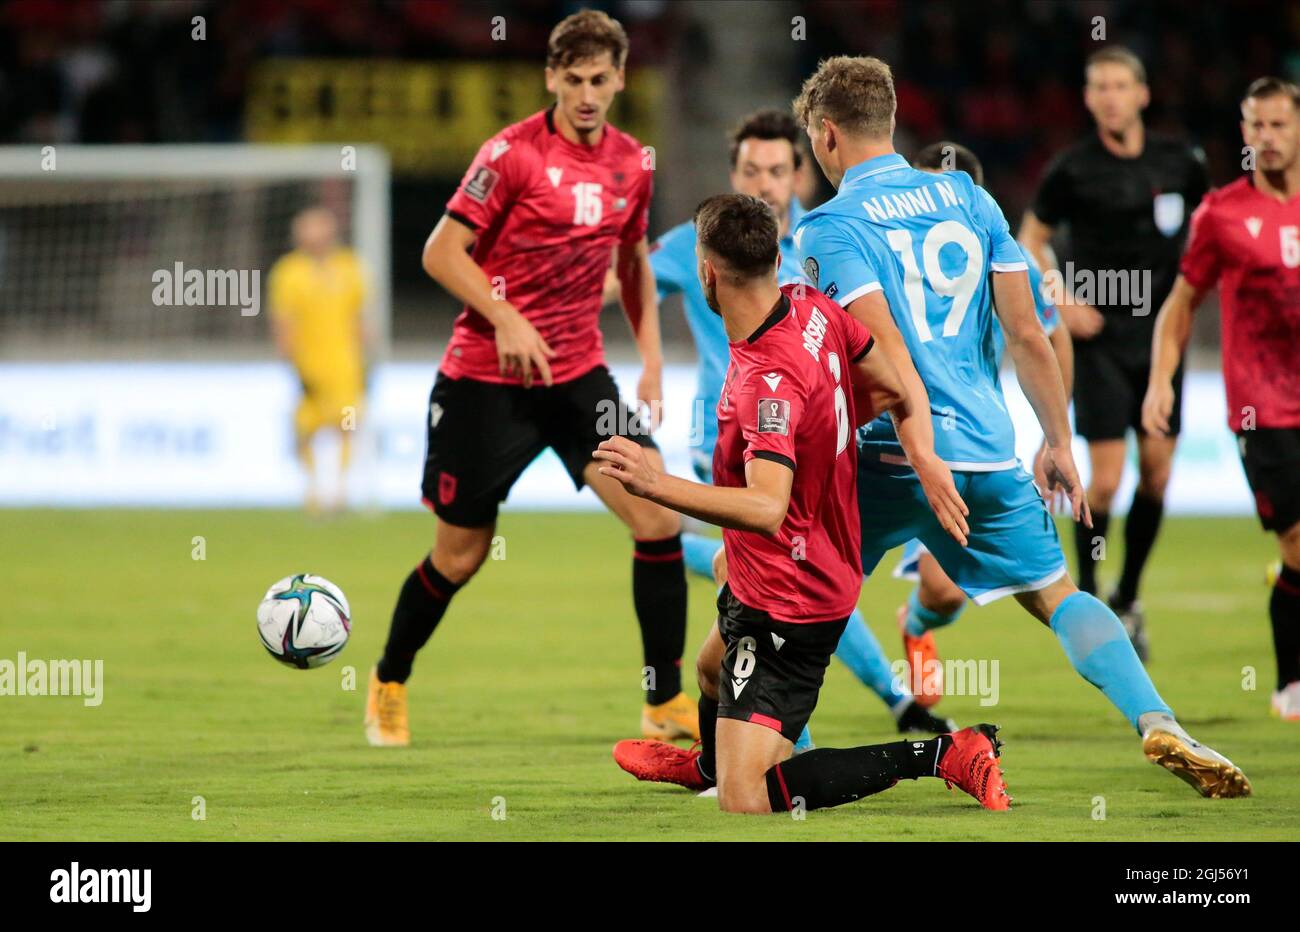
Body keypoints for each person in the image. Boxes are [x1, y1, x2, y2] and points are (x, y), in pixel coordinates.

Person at [793, 55, 1248, 798]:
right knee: (1056, 594)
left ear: (826, 133)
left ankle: (782, 754)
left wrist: (919, 452)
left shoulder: (828, 227)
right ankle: (1158, 718)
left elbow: (886, 353)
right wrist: (1058, 440)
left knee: (802, 598)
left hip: (889, 457)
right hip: (989, 450)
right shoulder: (968, 197)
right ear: (895, 118)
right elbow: (1030, 334)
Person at [599, 193, 1008, 813]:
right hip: (783, 566)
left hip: (790, 596)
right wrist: (822, 438)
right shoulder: (810, 306)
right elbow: (894, 386)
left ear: (706, 273)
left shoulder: (769, 381)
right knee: (711, 671)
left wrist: (652, 483)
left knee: (747, 799)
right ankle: (709, 761)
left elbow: (766, 506)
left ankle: (942, 753)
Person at [365, 10, 695, 747]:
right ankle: (389, 677)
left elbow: (634, 262)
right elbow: (441, 252)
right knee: (461, 555)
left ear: (618, 80)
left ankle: (664, 699)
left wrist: (648, 360)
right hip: (484, 380)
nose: (585, 93)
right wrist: (505, 317)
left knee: (657, 514)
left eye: (600, 80)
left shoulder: (633, 164)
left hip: (578, 378)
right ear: (551, 77)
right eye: (572, 79)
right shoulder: (510, 154)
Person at [649, 109, 953, 737]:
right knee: (776, 591)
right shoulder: (698, 243)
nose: (764, 183)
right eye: (751, 170)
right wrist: (650, 362)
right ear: (732, 173)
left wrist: (835, 424)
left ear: (799, 178)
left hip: (804, 450)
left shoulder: (819, 246)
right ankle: (865, 717)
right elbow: (626, 280)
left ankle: (769, 748)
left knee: (783, 589)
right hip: (729, 440)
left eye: (778, 170)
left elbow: (876, 351)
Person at [1020, 46, 1209, 660]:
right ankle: (1092, 598)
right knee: (1102, 486)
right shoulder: (1073, 168)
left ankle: (1128, 594)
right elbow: (1032, 238)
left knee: (1157, 473)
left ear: (1142, 94)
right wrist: (1061, 300)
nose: (1109, 96)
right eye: (1098, 86)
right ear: (1088, 97)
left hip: (1160, 343)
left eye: (1120, 85)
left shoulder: (1180, 162)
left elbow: (1211, 227)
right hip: (1098, 341)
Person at [893, 141, 1074, 707]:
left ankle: (916, 622)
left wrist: (1053, 435)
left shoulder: (1004, 255)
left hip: (971, 440)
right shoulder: (889, 250)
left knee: (945, 594)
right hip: (899, 439)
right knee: (819, 577)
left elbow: (1047, 337)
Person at [1143, 77, 1300, 721]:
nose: (1265, 138)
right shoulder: (1222, 213)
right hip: (1261, 409)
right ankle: (1291, 684)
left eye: (1278, 125)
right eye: (1254, 126)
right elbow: (1180, 306)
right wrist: (1160, 380)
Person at [269, 206, 369, 515]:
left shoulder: (350, 267)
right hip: (308, 363)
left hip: (344, 363)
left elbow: (360, 318)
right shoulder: (288, 272)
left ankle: (340, 490)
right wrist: (289, 361)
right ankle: (312, 490)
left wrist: (367, 359)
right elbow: (283, 321)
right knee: (306, 428)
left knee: (346, 425)